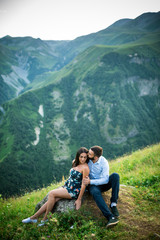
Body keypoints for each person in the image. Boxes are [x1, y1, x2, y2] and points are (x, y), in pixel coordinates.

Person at [22, 147, 90, 227]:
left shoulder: (85, 168)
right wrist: (65, 185)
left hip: (74, 190)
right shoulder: (75, 162)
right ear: (78, 156)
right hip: (67, 186)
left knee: (51, 193)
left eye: (85, 157)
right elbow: (71, 176)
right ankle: (34, 217)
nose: (83, 159)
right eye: (81, 157)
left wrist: (79, 199)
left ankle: (45, 218)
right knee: (52, 199)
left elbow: (83, 184)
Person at [83, 146, 120, 228]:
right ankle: (110, 217)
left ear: (95, 157)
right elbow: (79, 159)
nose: (87, 154)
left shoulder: (104, 162)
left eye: (89, 154)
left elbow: (105, 180)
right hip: (93, 186)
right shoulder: (87, 159)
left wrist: (90, 181)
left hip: (102, 184)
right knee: (95, 191)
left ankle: (113, 204)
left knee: (115, 176)